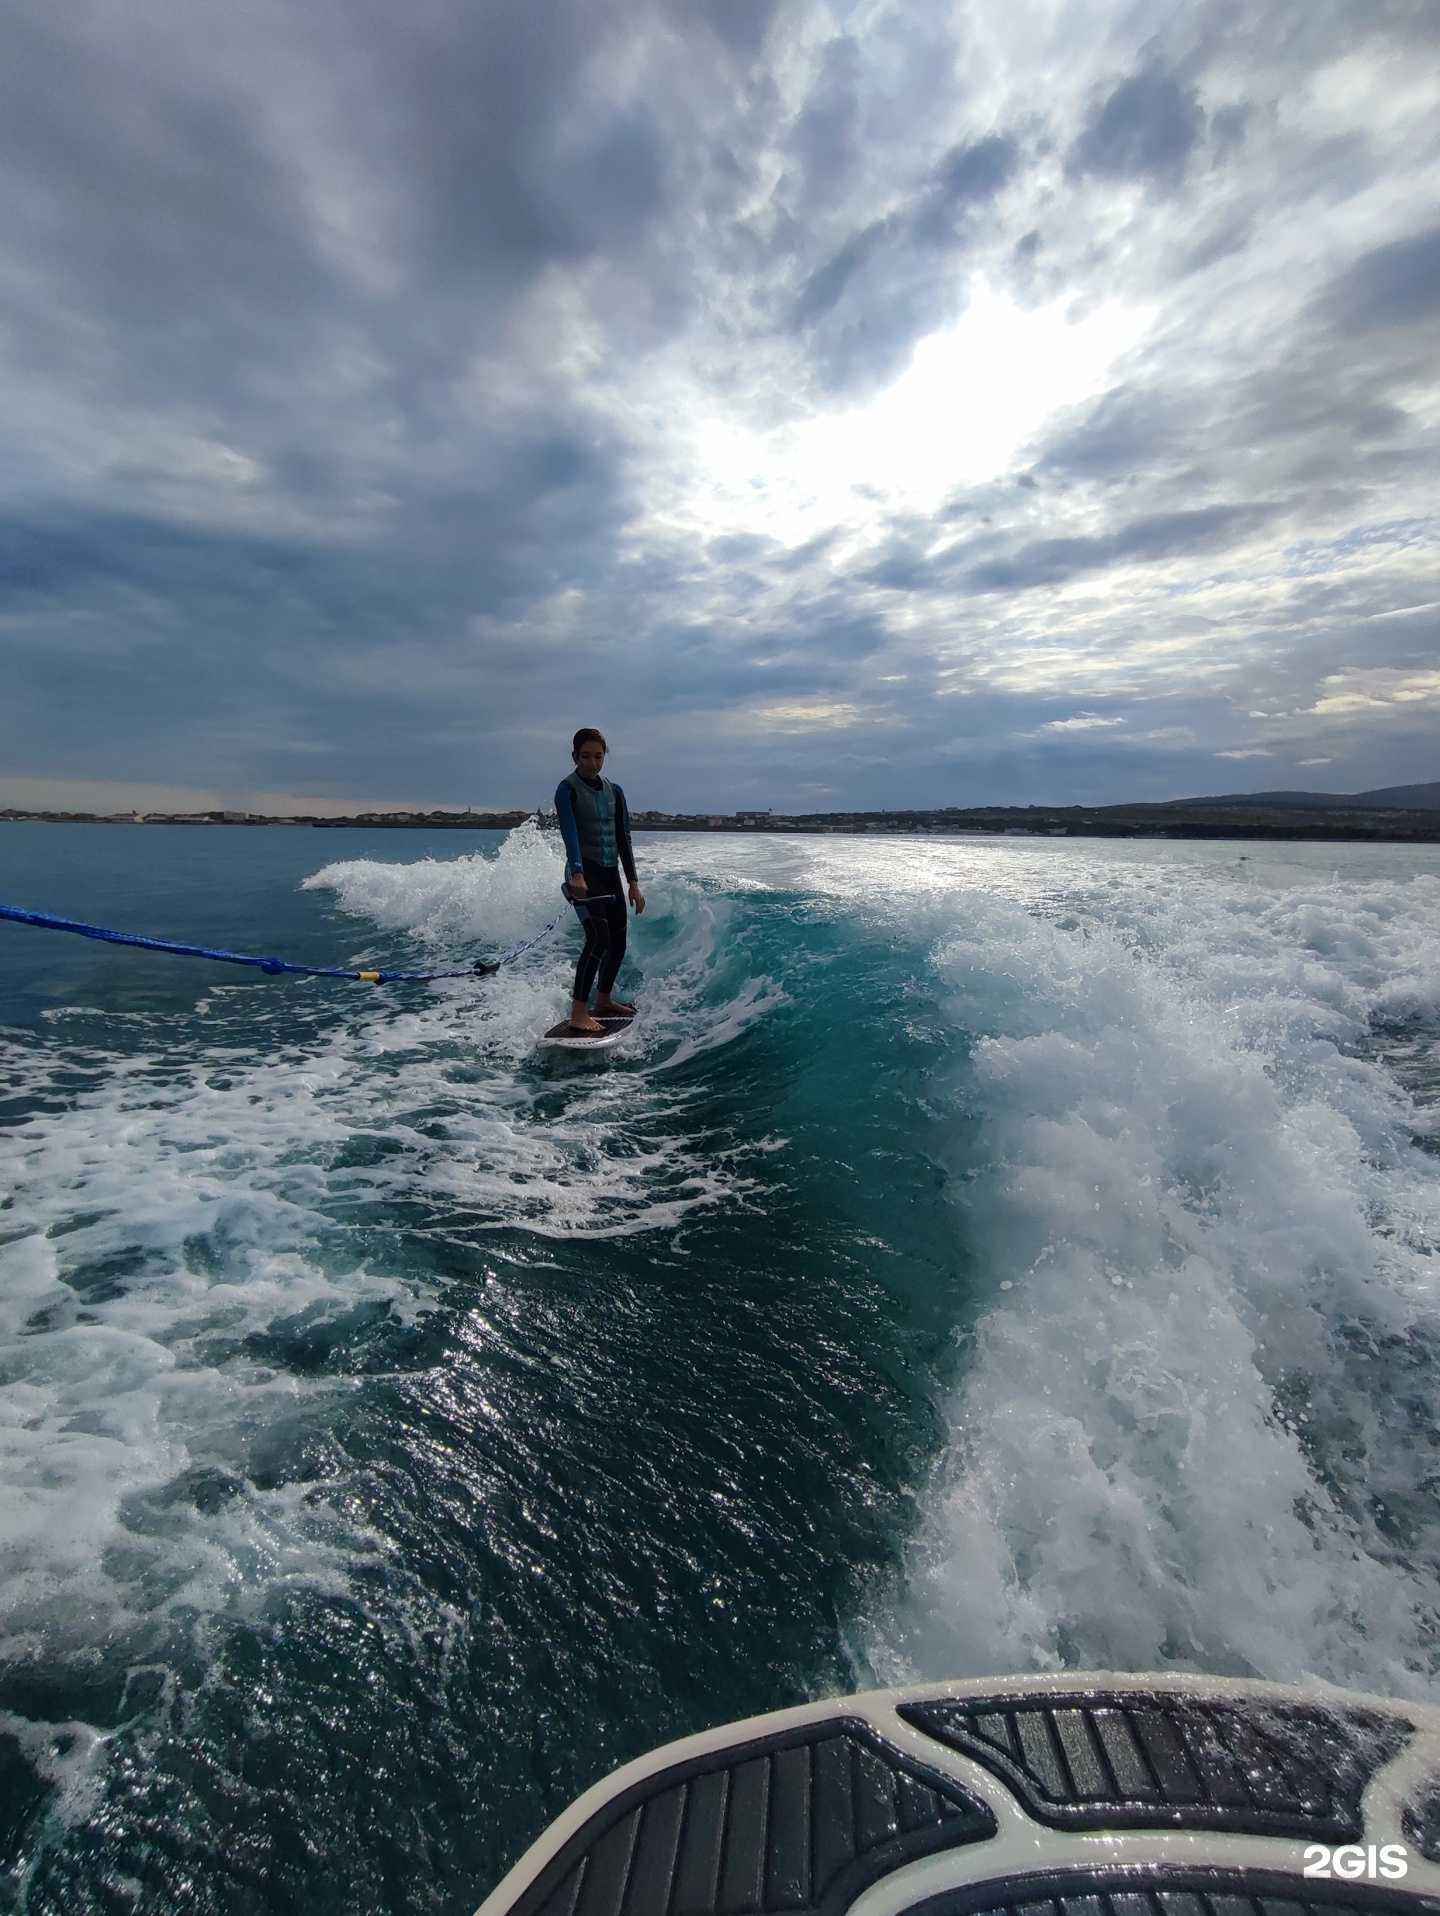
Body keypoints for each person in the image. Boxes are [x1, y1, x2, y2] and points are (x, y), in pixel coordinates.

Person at [553, 728, 646, 1033]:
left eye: (598, 756)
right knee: (597, 939)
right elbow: (570, 835)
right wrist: (577, 873)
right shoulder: (567, 790)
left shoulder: (615, 791)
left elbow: (623, 838)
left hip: (609, 873)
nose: (592, 763)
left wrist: (633, 882)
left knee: (619, 939)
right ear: (574, 757)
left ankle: (603, 1000)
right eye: (585, 757)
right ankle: (579, 1011)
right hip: (584, 873)